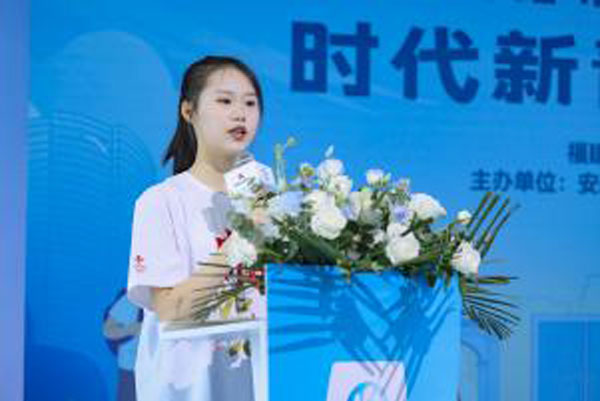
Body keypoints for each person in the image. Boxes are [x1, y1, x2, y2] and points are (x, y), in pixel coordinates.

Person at [126, 55, 263, 401]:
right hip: (187, 389)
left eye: (250, 103)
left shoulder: (268, 196)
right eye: (225, 101)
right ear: (189, 111)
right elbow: (170, 308)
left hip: (259, 382)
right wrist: (242, 241)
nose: (240, 114)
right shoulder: (160, 202)